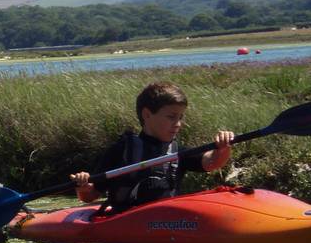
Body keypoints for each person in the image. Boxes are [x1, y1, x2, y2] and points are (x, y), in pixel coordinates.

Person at [70, 82, 233, 211]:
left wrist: (223, 148)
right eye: (171, 117)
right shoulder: (120, 151)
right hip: (126, 219)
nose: (178, 124)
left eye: (180, 117)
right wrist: (83, 186)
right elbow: (90, 195)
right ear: (147, 115)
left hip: (165, 217)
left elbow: (212, 162)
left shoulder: (177, 152)